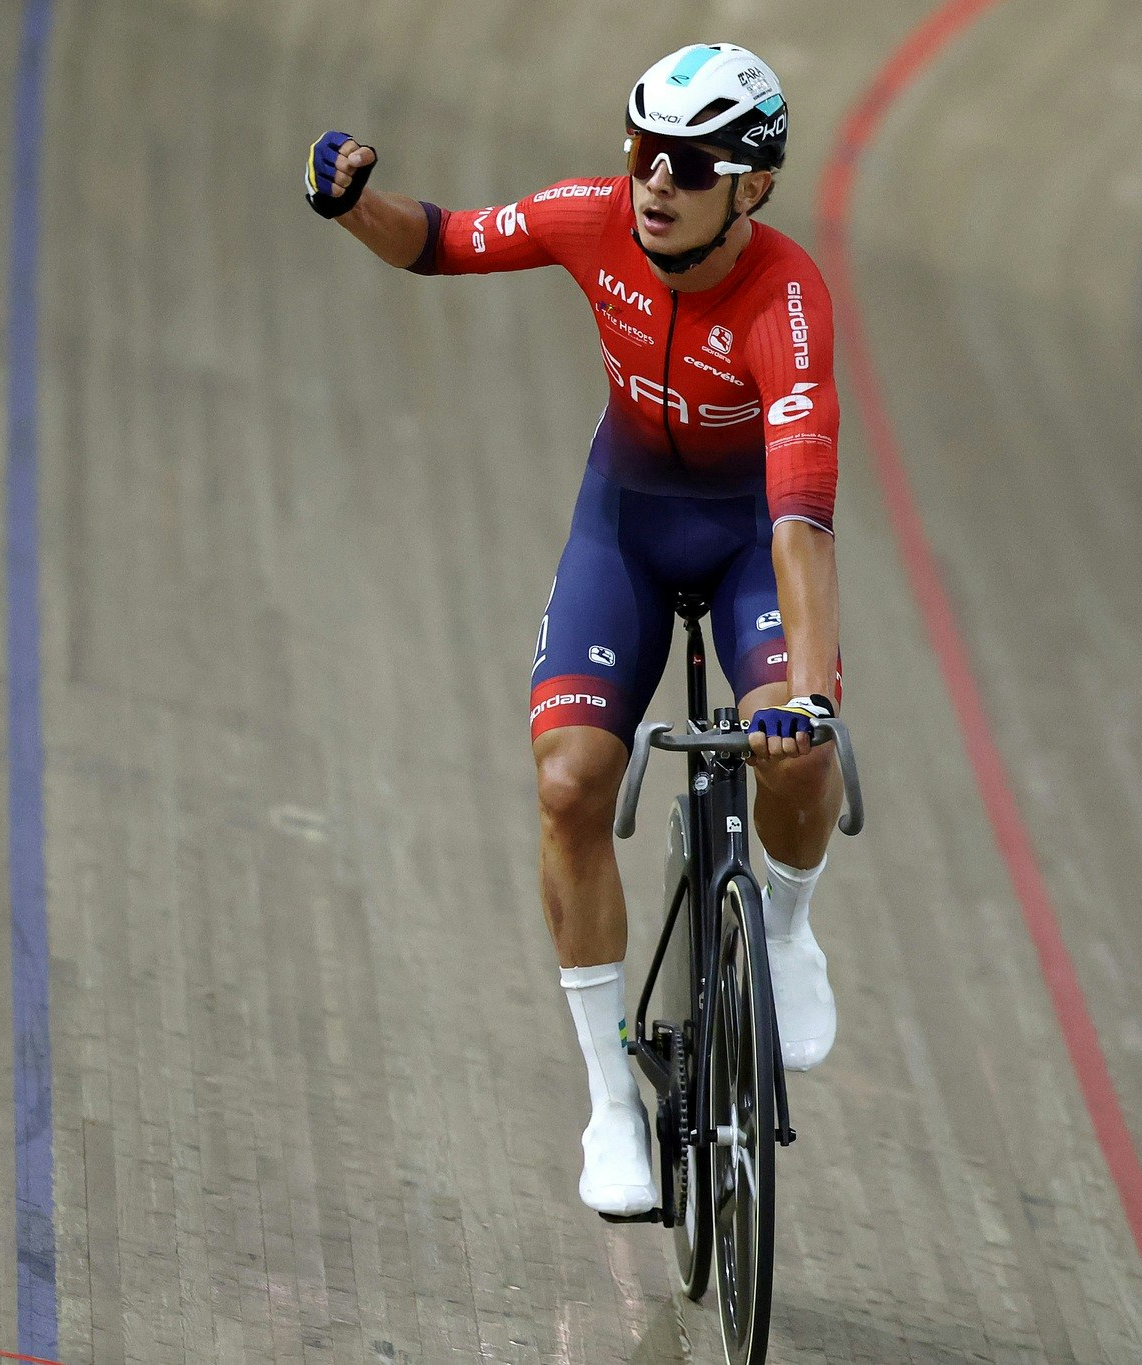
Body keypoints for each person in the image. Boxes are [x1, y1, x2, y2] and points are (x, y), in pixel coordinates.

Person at [307, 43, 845, 1217]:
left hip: (756, 541)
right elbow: (443, 240)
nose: (653, 180)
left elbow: (802, 516)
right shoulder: (589, 217)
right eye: (641, 148)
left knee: (799, 746)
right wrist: (353, 209)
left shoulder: (786, 302)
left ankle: (789, 930)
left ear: (750, 187)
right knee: (567, 786)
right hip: (628, 530)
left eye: (688, 164)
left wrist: (809, 691)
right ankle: (609, 1103)